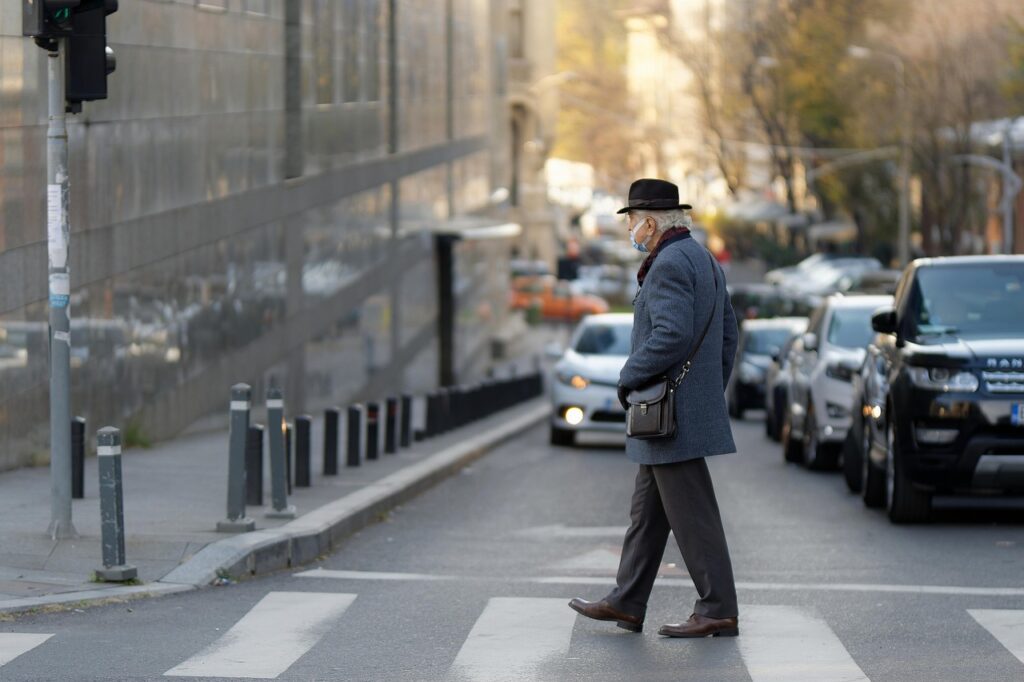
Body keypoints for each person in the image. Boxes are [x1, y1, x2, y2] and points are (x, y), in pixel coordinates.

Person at [569, 178, 740, 638]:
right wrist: (707, 391)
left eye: (632, 220)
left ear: (649, 221)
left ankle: (718, 608)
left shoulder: (666, 264)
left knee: (694, 517)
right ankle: (627, 601)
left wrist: (629, 377)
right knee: (648, 514)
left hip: (669, 415)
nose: (631, 229)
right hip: (682, 411)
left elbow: (671, 334)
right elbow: (729, 334)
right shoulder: (703, 259)